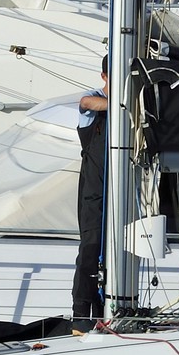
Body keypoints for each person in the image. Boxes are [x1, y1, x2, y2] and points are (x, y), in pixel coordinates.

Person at [72, 57, 109, 326]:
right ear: (104, 76)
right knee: (91, 246)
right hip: (94, 188)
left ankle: (109, 310)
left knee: (115, 247)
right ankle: (82, 312)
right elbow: (86, 103)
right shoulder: (93, 101)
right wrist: (122, 105)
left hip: (120, 187)